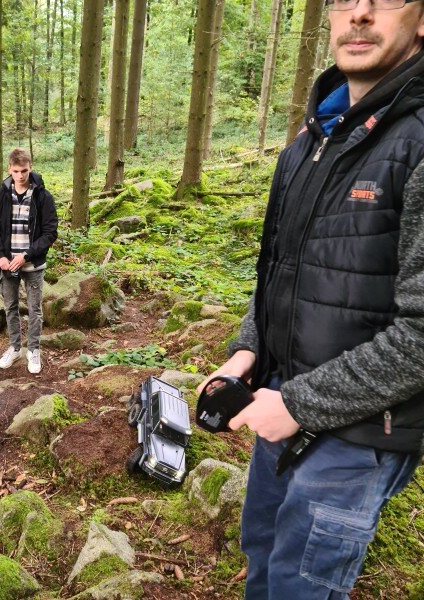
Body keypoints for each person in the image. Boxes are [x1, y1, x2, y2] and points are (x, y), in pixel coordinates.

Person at [198, 2, 424, 597]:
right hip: (281, 402)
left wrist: (299, 404)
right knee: (263, 555)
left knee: (302, 586)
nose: (361, 14)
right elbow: (280, 270)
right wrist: (247, 349)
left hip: (357, 435)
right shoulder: (310, 142)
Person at [0, 149, 58, 374]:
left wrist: (26, 255)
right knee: (10, 307)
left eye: (24, 171)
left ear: (31, 168)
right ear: (10, 169)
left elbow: (50, 232)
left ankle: (33, 350)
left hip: (33, 264)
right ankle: (15, 348)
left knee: (35, 309)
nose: (20, 176)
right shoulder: (2, 195)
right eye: (16, 171)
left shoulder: (43, 197)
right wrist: (1, 256)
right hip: (7, 264)